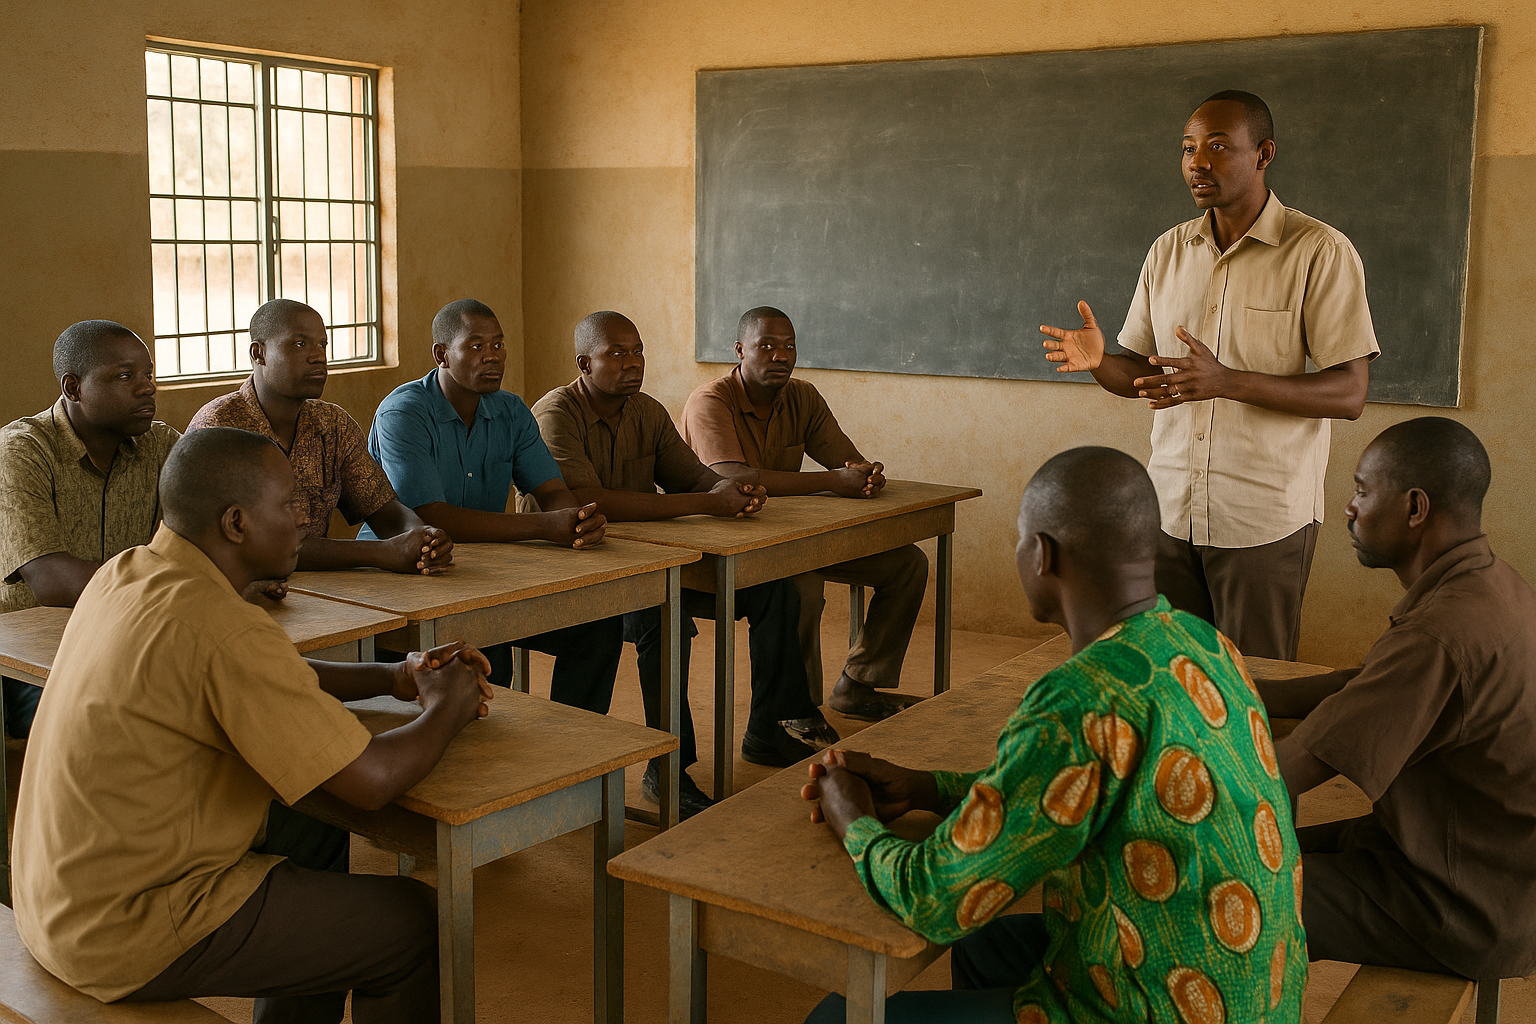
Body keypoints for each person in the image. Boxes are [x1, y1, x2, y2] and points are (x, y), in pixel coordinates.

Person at [801, 447, 1304, 1023]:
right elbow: (1079, 790)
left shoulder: (1079, 696)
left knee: (833, 1018)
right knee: (987, 948)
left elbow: (935, 899)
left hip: (1155, 1008)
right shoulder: (1205, 644)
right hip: (1249, 995)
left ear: (1041, 554)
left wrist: (852, 821)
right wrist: (927, 788)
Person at [11, 426, 494, 1022]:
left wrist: (394, 677)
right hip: (123, 928)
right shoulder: (222, 625)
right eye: (290, 504)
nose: (305, 520)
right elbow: (373, 780)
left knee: (310, 830)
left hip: (56, 898)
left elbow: (269, 672)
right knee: (411, 926)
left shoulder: (128, 573)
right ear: (236, 523)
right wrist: (450, 701)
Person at [1040, 90, 1379, 661]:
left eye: (1218, 147)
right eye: (1188, 148)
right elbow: (1146, 379)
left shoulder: (1318, 251)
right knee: (1176, 681)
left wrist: (1228, 381)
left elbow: (1349, 392)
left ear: (1263, 153)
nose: (1198, 162)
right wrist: (1101, 363)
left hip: (1262, 517)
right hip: (1172, 509)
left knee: (1253, 688)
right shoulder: (1168, 250)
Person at [529, 311, 834, 816]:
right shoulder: (555, 414)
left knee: (773, 586)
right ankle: (669, 771)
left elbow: (690, 477)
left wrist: (728, 491)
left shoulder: (646, 411)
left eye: (638, 351)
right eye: (617, 354)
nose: (633, 364)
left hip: (646, 564)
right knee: (663, 619)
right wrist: (703, 503)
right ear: (584, 364)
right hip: (572, 573)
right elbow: (582, 500)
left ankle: (768, 727)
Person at [1263, 418, 1536, 981]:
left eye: (1362, 490)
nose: (1350, 508)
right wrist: (1255, 692)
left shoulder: (1439, 635)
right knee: (1266, 847)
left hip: (1454, 905)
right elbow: (1373, 685)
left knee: (1201, 888)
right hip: (1479, 866)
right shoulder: (1495, 585)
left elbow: (1281, 772)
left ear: (1415, 508)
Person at [367, 298, 623, 708]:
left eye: (499, 345)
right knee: (487, 658)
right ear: (441, 355)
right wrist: (544, 526)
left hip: (487, 577)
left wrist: (574, 518)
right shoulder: (405, 412)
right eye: (475, 346)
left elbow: (552, 491)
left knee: (597, 630)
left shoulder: (510, 410)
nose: (492, 357)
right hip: (407, 582)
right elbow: (432, 518)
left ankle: (567, 754)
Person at [680, 306, 928, 720]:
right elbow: (733, 479)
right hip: (725, 546)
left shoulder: (803, 396)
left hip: (793, 537)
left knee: (907, 564)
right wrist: (833, 481)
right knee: (803, 585)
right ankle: (795, 711)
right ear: (740, 350)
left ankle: (858, 684)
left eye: (789, 346)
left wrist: (865, 476)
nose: (781, 355)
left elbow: (846, 461)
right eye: (767, 346)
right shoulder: (710, 400)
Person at [0, 320, 179, 739]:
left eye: (148, 374)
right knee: (141, 710)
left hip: (127, 635)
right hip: (26, 658)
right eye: (124, 376)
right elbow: (53, 582)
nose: (146, 387)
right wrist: (180, 587)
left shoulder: (161, 445)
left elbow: (209, 537)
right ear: (73, 388)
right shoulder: (21, 451)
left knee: (229, 675)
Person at [189, 298, 454, 576]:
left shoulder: (333, 424)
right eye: (299, 344)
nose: (318, 356)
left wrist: (423, 539)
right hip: (236, 594)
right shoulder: (219, 428)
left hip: (322, 593)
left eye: (322, 345)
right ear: (259, 354)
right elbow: (252, 546)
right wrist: (382, 553)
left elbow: (384, 510)